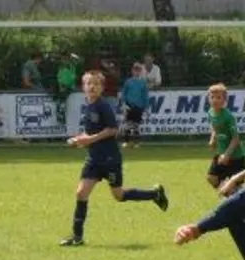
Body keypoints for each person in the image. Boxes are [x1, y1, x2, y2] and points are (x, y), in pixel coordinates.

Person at [59, 70, 169, 247]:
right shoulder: (88, 107)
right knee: (81, 193)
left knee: (118, 195)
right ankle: (77, 237)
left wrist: (89, 139)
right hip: (94, 159)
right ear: (83, 87)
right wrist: (79, 139)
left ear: (102, 88)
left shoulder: (103, 106)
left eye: (96, 84)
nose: (92, 86)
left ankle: (154, 193)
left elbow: (112, 129)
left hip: (110, 159)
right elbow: (90, 132)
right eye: (89, 83)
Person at [204, 83, 243, 191]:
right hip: (220, 153)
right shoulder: (210, 113)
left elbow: (235, 139)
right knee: (211, 178)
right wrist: (213, 139)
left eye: (218, 97)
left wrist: (227, 154)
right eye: (212, 97)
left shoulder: (228, 117)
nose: (215, 100)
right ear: (208, 99)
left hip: (235, 157)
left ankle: (236, 199)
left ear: (224, 100)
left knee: (235, 185)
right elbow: (213, 126)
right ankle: (229, 196)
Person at [120, 61, 151, 147]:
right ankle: (126, 141)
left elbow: (145, 96)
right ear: (132, 71)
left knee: (136, 125)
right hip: (129, 106)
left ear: (141, 71)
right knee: (127, 125)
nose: (136, 72)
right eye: (135, 70)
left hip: (139, 106)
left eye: (138, 70)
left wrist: (146, 108)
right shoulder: (128, 82)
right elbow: (124, 94)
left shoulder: (143, 83)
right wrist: (123, 104)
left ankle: (136, 142)